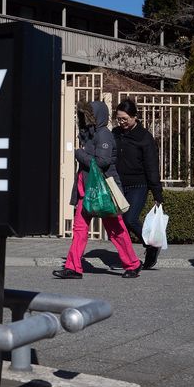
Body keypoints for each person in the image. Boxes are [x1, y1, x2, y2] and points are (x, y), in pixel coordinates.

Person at [54, 100, 143, 279]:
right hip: (85, 189)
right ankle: (73, 267)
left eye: (89, 116)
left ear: (97, 117)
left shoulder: (104, 135)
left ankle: (133, 263)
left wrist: (80, 154)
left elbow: (102, 162)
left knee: (116, 230)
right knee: (79, 229)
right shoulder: (88, 134)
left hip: (103, 189)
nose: (85, 119)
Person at [113, 98, 165, 269]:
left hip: (139, 185)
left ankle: (151, 247)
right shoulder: (115, 133)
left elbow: (151, 167)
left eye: (125, 119)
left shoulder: (144, 137)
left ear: (134, 117)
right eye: (119, 118)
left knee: (130, 219)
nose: (121, 122)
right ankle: (129, 257)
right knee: (119, 224)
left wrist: (157, 193)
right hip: (119, 185)